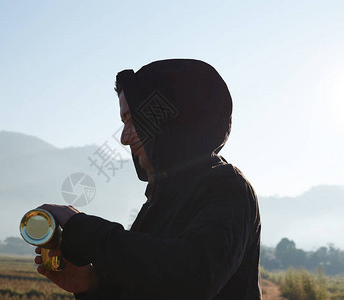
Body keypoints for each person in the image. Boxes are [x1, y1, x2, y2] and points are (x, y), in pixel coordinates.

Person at [34, 59, 262, 299]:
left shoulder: (226, 187)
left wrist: (84, 231)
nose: (123, 138)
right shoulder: (162, 197)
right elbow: (153, 283)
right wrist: (91, 286)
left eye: (132, 120)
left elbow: (193, 277)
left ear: (169, 119)